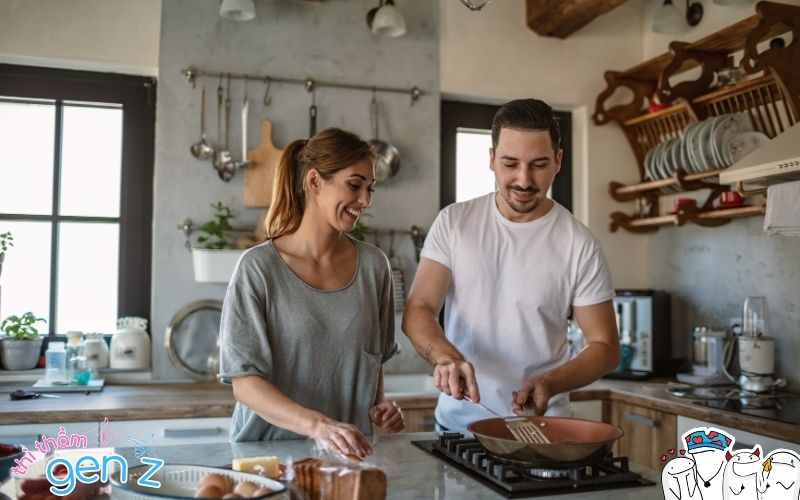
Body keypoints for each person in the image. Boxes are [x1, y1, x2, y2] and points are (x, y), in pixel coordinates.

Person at [402, 99, 620, 434]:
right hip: (460, 428)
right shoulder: (455, 222)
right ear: (491, 159)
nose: (523, 179)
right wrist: (447, 359)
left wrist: (550, 382)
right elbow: (419, 307)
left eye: (538, 164)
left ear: (558, 161)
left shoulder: (579, 243)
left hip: (542, 428)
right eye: (510, 163)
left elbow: (604, 346)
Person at [219, 127, 404, 456]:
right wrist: (318, 426)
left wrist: (378, 405)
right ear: (315, 182)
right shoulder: (258, 268)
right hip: (266, 459)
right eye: (354, 184)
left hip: (346, 458)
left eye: (370, 188)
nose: (365, 200)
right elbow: (245, 384)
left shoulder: (376, 267)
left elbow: (372, 360)